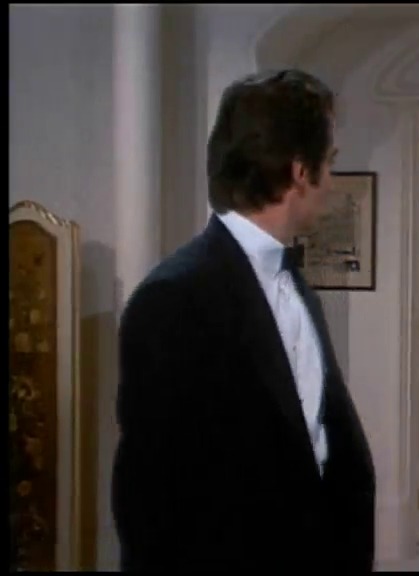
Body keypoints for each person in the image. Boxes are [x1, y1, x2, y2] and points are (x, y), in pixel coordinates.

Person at [111, 70, 376, 571]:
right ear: (301, 171)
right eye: (331, 162)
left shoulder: (294, 284)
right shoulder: (174, 299)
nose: (332, 181)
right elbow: (150, 502)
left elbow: (316, 440)